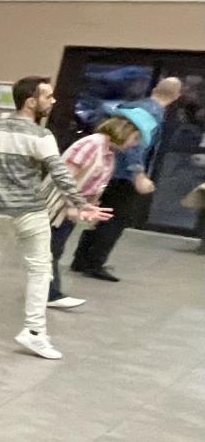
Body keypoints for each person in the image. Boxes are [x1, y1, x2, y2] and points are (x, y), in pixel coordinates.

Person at [0, 75, 110, 360]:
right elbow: (60, 173)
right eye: (47, 96)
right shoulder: (41, 136)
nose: (53, 101)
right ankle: (34, 332)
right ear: (30, 102)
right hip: (30, 212)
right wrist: (81, 203)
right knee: (40, 270)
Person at [70, 77, 177, 282]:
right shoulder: (151, 114)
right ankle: (94, 262)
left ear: (155, 88)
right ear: (176, 96)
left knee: (100, 215)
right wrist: (139, 174)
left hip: (110, 170)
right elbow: (136, 145)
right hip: (124, 176)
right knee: (115, 219)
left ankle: (81, 259)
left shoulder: (133, 106)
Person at [48, 116, 142, 310]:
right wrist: (73, 205)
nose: (134, 144)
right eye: (134, 138)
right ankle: (50, 293)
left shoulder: (108, 151)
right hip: (58, 205)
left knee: (52, 250)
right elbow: (65, 176)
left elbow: (95, 183)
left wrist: (87, 206)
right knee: (51, 250)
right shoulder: (92, 144)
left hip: (72, 206)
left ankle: (48, 292)